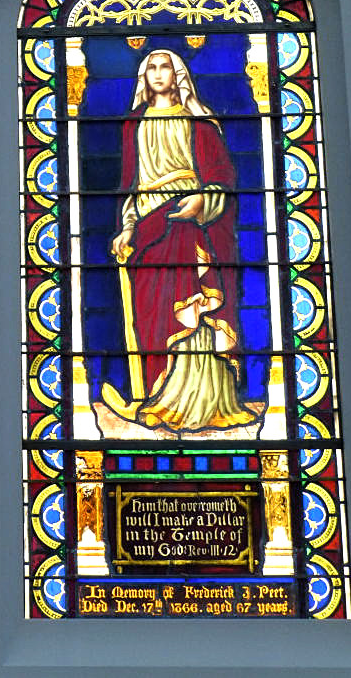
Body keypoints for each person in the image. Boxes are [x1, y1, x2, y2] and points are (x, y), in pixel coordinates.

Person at [104, 49, 256, 433]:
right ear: (144, 77)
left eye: (165, 68)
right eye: (151, 68)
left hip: (189, 220)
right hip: (148, 224)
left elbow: (222, 175)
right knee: (153, 309)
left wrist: (204, 200)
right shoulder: (134, 123)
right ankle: (160, 397)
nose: (158, 74)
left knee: (195, 303)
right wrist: (127, 226)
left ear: (178, 75)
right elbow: (131, 182)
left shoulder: (197, 120)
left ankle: (207, 401)